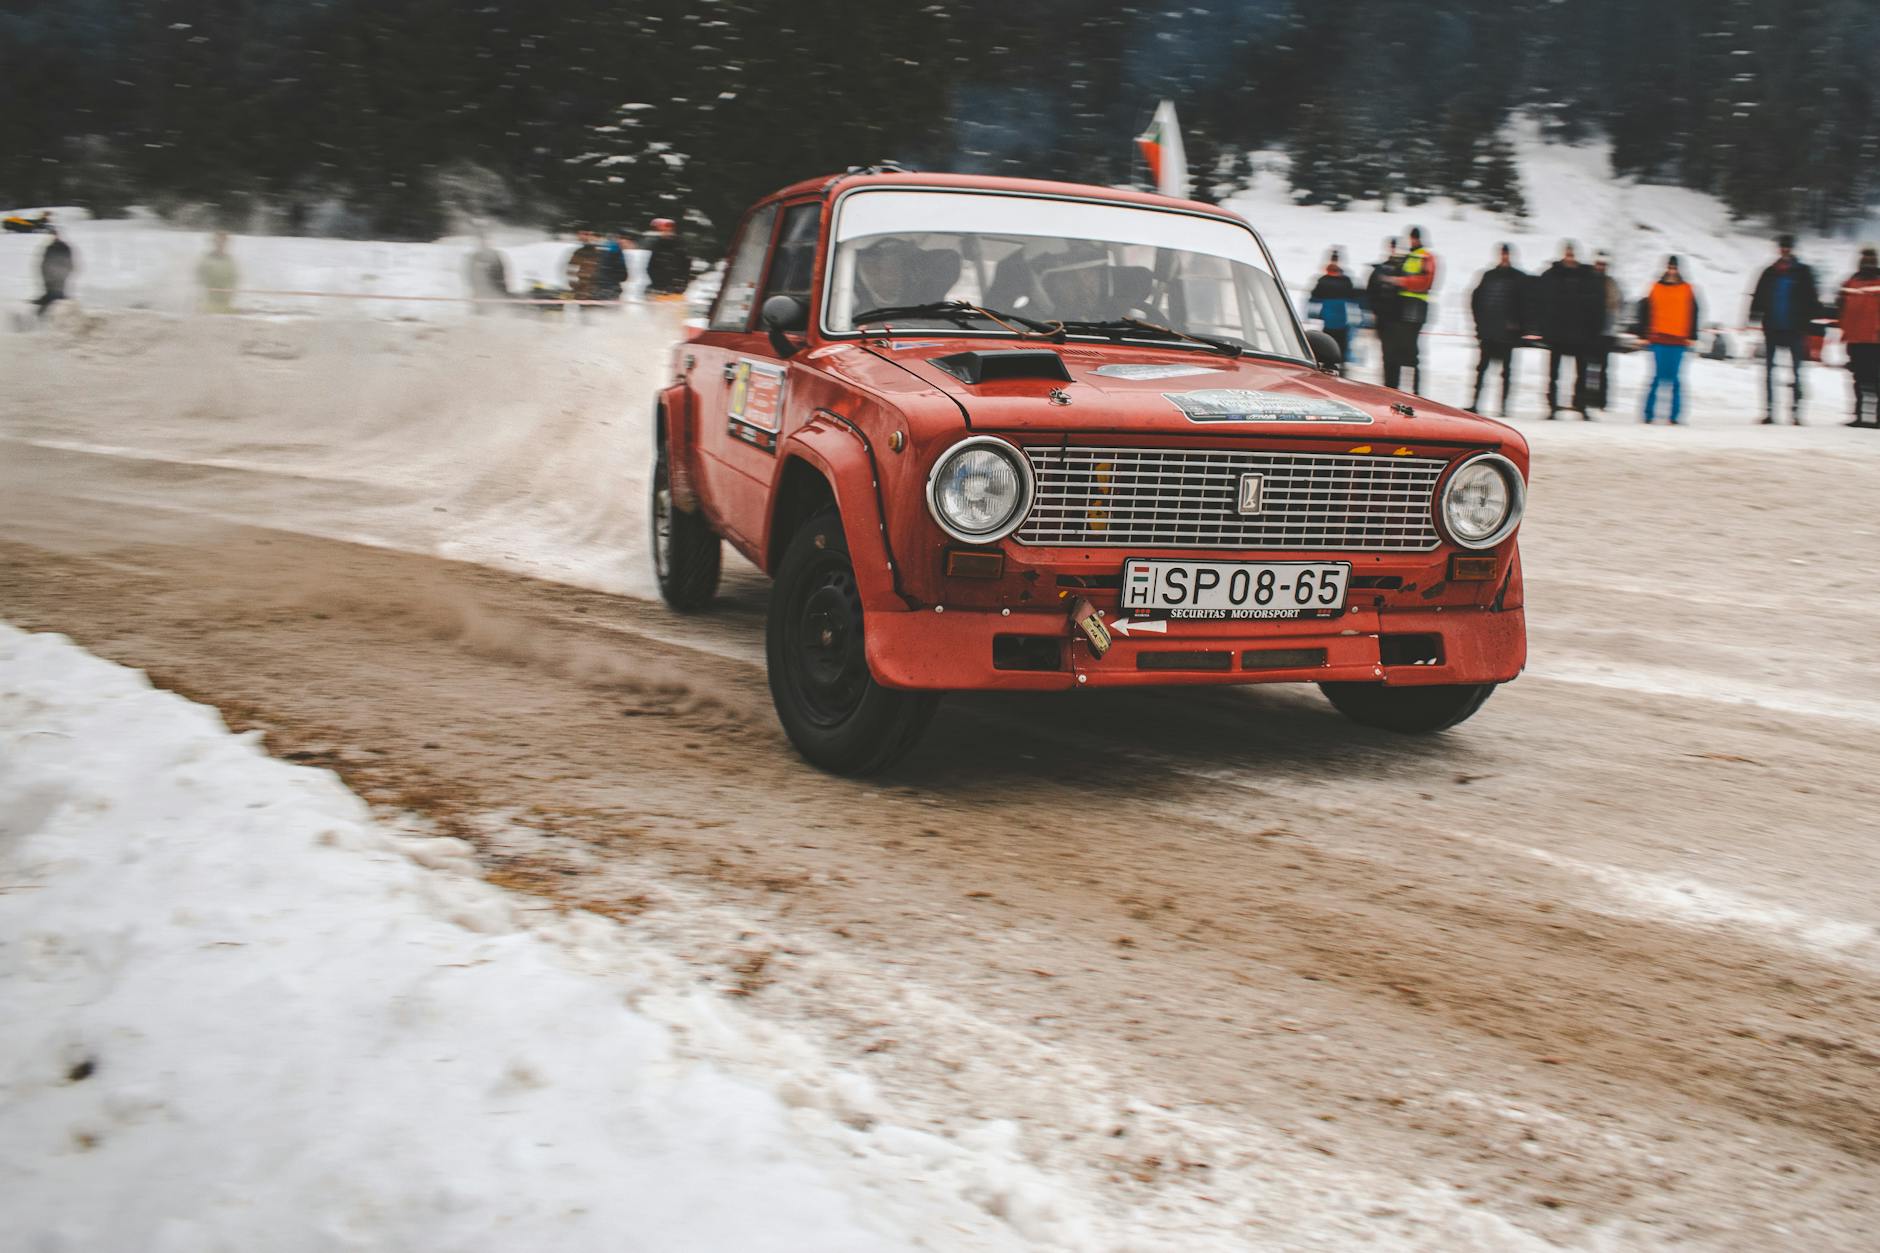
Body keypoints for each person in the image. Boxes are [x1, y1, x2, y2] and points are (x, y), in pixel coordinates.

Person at [1748, 232, 1820, 424]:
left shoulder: (1803, 272)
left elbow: (1812, 300)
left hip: (1795, 330)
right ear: (1779, 249)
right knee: (1769, 371)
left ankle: (1796, 412)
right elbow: (1758, 296)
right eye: (1782, 247)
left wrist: (1810, 325)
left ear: (1792, 249)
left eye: (1787, 247)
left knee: (1796, 372)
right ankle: (1770, 411)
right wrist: (1754, 316)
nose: (1785, 250)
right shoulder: (1769, 272)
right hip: (1772, 328)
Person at [1534, 242, 1604, 418]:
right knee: (1553, 374)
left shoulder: (1588, 277)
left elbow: (1597, 306)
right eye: (1567, 254)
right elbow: (1540, 302)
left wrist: (1594, 330)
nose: (1570, 258)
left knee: (1581, 374)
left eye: (1572, 255)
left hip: (1581, 335)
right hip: (1557, 333)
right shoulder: (1551, 276)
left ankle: (1580, 405)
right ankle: (1551, 406)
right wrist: (1543, 327)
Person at [1636, 256, 1700, 425]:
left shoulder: (1687, 289)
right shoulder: (1655, 288)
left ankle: (1675, 416)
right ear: (1665, 268)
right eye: (1670, 267)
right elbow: (1645, 310)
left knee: (1676, 379)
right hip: (1658, 338)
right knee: (1657, 377)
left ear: (1679, 269)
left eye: (1674, 268)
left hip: (1679, 340)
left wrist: (1692, 336)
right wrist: (1643, 334)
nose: (1672, 271)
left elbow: (1694, 312)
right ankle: (1648, 414)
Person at [1467, 243, 1529, 415]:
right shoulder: (1489, 276)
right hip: (1488, 332)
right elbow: (1475, 300)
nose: (1504, 257)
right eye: (1502, 254)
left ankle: (1503, 407)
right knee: (1481, 370)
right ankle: (1475, 403)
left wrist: (1519, 326)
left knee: (1506, 372)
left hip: (1507, 335)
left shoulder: (1518, 278)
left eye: (1507, 254)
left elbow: (1525, 305)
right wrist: (1479, 324)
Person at [1381, 226, 1435, 393]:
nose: (1412, 241)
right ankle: (1399, 389)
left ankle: (1415, 391)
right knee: (1398, 351)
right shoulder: (1408, 256)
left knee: (1411, 352)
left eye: (1413, 238)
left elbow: (1426, 281)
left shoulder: (1426, 256)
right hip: (1402, 308)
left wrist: (1401, 281)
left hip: (1416, 308)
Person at [1835, 245, 1880, 427]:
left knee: (1876, 380)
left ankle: (1876, 417)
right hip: (1855, 339)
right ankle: (1860, 416)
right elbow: (1841, 306)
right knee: (1859, 379)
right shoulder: (1850, 282)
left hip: (1875, 340)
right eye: (1865, 259)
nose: (1867, 262)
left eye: (1870, 259)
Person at [1306, 249, 1360, 373]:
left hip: (1333, 316)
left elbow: (1314, 296)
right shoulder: (1344, 280)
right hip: (1336, 316)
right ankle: (1338, 361)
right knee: (1337, 339)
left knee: (1332, 338)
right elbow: (1354, 296)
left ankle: (1332, 360)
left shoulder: (1325, 280)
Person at [1586, 251, 1624, 412]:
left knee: (1603, 370)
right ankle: (1587, 398)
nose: (1600, 267)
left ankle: (1601, 401)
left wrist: (1613, 328)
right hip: (1589, 332)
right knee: (1587, 369)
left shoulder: (1611, 283)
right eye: (1598, 264)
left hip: (1606, 333)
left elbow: (1617, 306)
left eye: (1603, 264)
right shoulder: (1588, 282)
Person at [643, 217, 692, 297]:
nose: (664, 233)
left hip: (674, 289)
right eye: (661, 231)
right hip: (657, 287)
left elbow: (686, 267)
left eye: (666, 230)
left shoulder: (680, 245)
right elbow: (651, 266)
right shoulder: (657, 244)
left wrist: (680, 285)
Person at [34, 228, 74, 319]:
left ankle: (41, 317)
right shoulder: (49, 247)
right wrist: (45, 275)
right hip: (50, 278)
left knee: (54, 297)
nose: (51, 237)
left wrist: (63, 274)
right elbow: (44, 263)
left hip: (58, 278)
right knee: (54, 297)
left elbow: (68, 263)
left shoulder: (63, 247)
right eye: (49, 235)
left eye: (52, 235)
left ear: (57, 235)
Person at [196, 231, 238, 313]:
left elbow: (234, 280)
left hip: (224, 301)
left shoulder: (230, 261)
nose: (221, 245)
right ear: (214, 243)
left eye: (223, 242)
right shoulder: (206, 259)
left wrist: (230, 291)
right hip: (208, 301)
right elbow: (199, 277)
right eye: (218, 242)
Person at [465, 236, 509, 313]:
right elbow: (469, 273)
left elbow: (502, 272)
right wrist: (474, 288)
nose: (484, 245)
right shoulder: (475, 256)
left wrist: (503, 288)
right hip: (480, 290)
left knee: (496, 310)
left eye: (486, 242)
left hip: (496, 289)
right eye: (482, 243)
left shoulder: (496, 255)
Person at [565, 230, 602, 302]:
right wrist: (575, 285)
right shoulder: (580, 252)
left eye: (595, 236)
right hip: (582, 289)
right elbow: (571, 269)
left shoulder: (602, 252)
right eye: (589, 236)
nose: (591, 238)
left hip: (597, 290)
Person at [593, 231, 629, 303]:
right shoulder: (615, 251)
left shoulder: (607, 248)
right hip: (609, 282)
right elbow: (621, 269)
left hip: (604, 281)